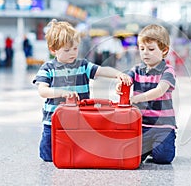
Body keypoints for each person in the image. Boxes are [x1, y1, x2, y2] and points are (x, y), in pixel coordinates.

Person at [32, 19, 132, 162]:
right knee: (47, 156)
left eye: (75, 48)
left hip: (79, 120)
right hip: (53, 121)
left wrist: (118, 74)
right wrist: (61, 92)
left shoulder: (82, 65)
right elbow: (43, 91)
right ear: (53, 50)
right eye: (67, 50)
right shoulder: (48, 68)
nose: (72, 53)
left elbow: (102, 70)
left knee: (76, 152)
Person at [117, 24, 176, 164]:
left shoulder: (167, 70)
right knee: (134, 156)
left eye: (151, 49)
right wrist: (120, 83)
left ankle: (161, 144)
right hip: (142, 125)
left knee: (163, 158)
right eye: (142, 49)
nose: (145, 53)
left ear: (164, 50)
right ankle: (149, 147)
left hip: (163, 126)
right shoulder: (137, 69)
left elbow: (160, 90)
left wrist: (140, 98)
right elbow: (127, 78)